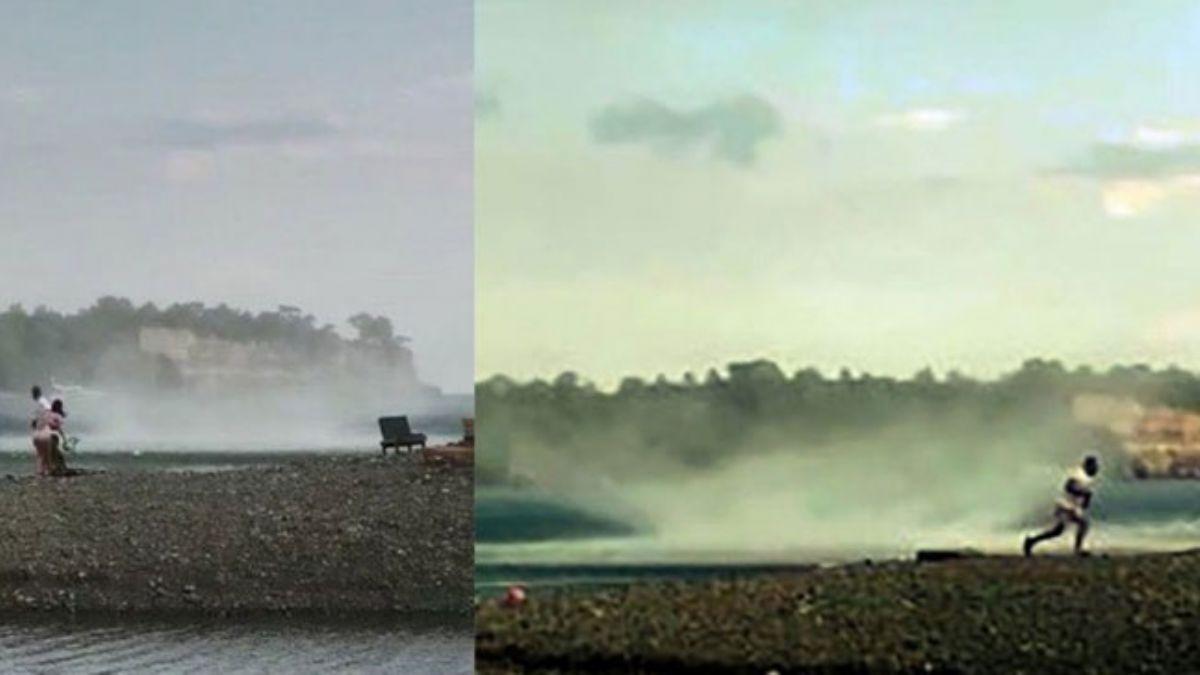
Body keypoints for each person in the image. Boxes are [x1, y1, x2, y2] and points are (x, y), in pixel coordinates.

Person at [1024, 455, 1100, 557]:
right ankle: (1078, 550)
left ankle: (1031, 541)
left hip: (1070, 505)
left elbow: (1085, 496)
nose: (1096, 468)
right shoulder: (1079, 475)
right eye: (1094, 466)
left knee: (1057, 531)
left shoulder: (1087, 478)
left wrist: (1085, 500)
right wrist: (1084, 493)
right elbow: (1069, 487)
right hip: (1065, 505)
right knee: (1083, 524)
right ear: (1088, 465)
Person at [31, 399, 71, 477]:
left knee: (41, 456)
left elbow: (34, 422)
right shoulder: (56, 416)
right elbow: (58, 428)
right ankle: (56, 470)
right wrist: (65, 440)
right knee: (56, 456)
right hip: (48, 437)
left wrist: (36, 429)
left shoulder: (45, 413)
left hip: (36, 436)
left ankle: (41, 473)